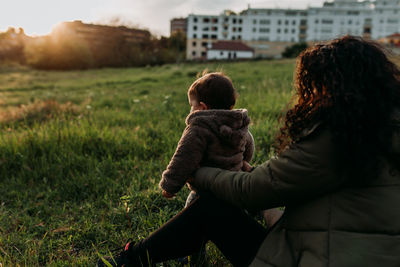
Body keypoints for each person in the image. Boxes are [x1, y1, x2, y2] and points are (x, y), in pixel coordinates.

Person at [98, 36, 400, 267]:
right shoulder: (382, 129)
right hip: (360, 252)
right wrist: (262, 188)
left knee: (211, 206)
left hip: (319, 257)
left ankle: (130, 260)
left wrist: (198, 173)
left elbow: (252, 191)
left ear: (332, 88)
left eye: (312, 88)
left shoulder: (338, 138)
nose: (306, 96)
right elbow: (294, 186)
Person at [158, 71, 254, 208]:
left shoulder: (198, 128)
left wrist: (169, 187)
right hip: (233, 189)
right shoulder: (237, 124)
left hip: (206, 192)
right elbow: (248, 146)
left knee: (192, 217)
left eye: (192, 106)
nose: (191, 111)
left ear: (203, 108)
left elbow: (183, 158)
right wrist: (242, 162)